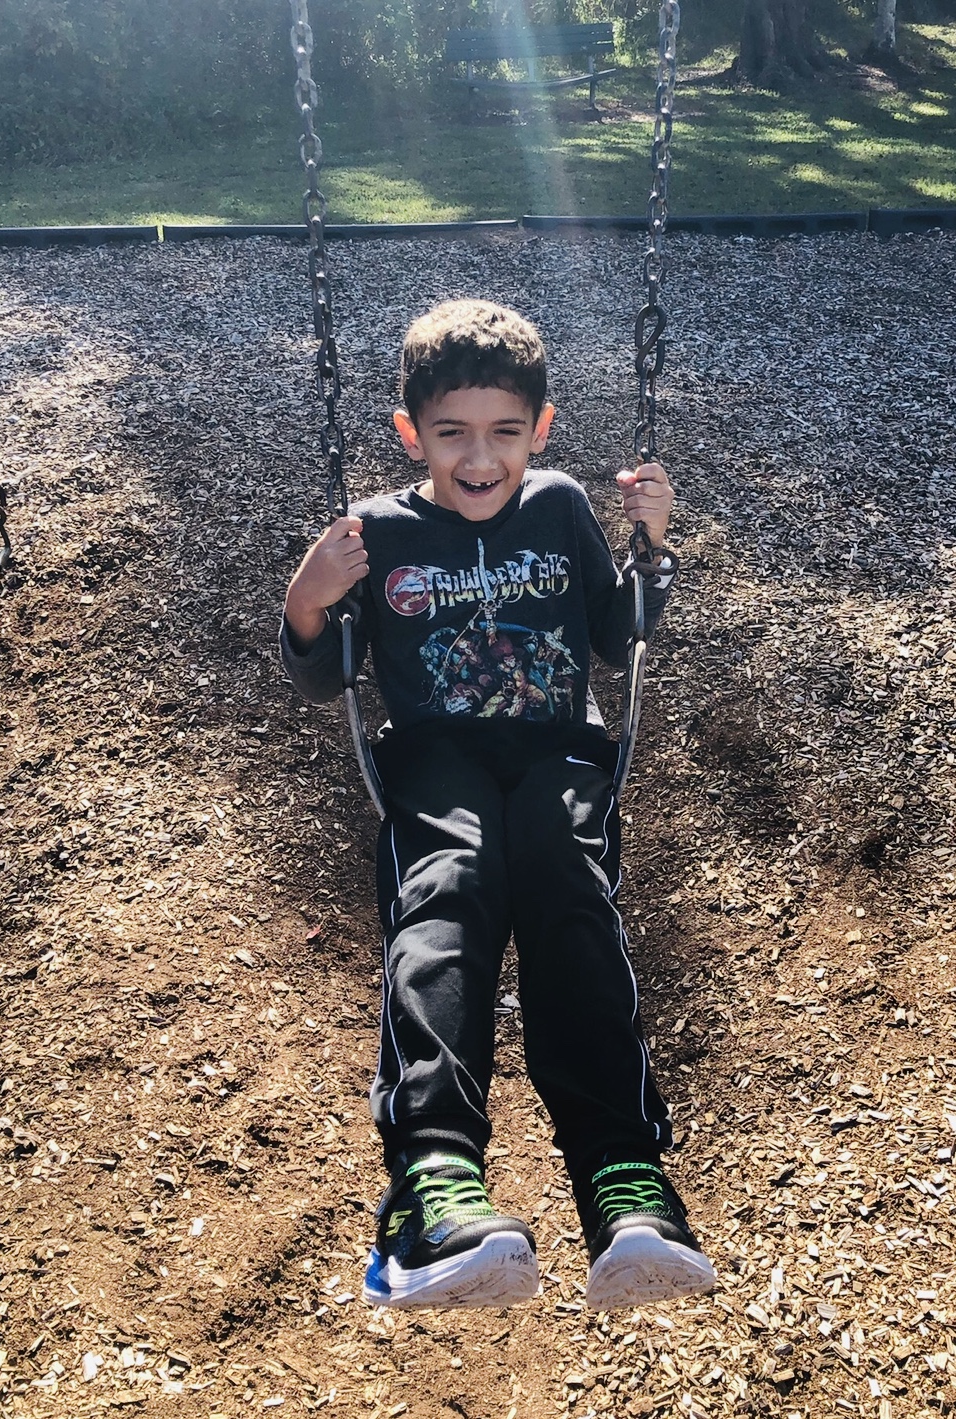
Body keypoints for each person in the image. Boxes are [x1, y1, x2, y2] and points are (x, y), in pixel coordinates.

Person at [280, 299, 715, 1311]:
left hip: (558, 751)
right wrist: (308, 597)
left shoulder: (560, 507)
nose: (479, 459)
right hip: (436, 762)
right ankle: (434, 1180)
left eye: (504, 433)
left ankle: (624, 1178)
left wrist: (650, 549)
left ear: (540, 429)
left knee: (568, 886)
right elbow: (322, 672)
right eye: (452, 434)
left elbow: (617, 636)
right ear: (411, 436)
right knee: (449, 892)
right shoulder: (379, 533)